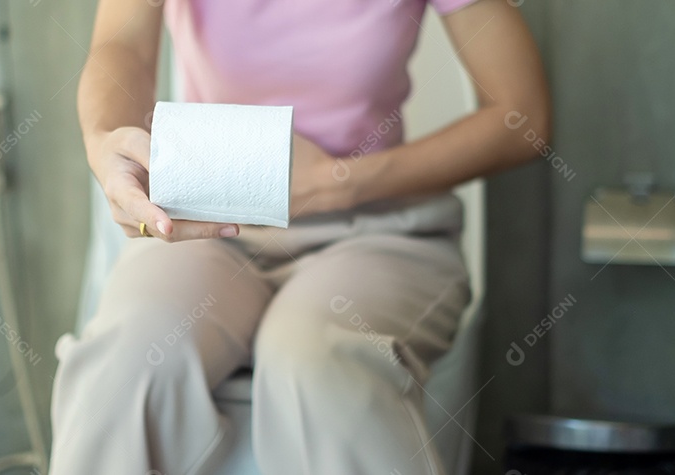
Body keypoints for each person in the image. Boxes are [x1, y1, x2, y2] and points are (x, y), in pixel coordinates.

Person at [50, 0, 549, 473]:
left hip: (377, 229)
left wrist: (338, 182)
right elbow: (123, 47)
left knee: (318, 367)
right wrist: (106, 146)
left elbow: (522, 115)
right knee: (123, 364)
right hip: (211, 225)